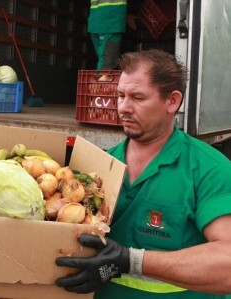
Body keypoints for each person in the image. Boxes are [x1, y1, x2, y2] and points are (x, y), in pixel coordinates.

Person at [55, 49, 231, 298]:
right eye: (120, 96)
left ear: (172, 101)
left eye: (137, 97)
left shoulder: (208, 169)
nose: (124, 107)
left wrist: (131, 261)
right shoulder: (99, 166)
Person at [88, 0, 127, 70]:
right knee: (106, 64)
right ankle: (102, 80)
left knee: (103, 59)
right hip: (111, 20)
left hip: (96, 21)